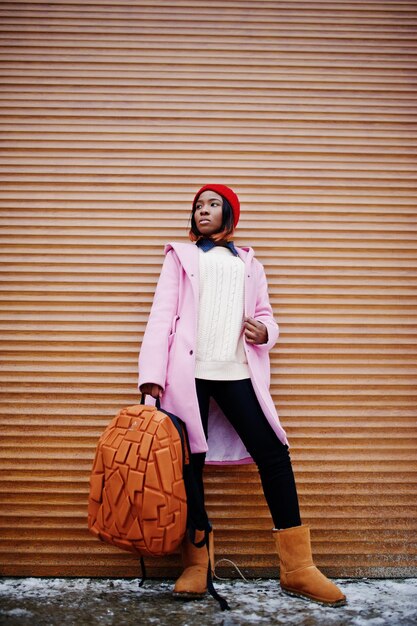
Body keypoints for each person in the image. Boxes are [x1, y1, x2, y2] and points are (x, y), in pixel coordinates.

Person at [138, 184, 346, 607]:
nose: (203, 211)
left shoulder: (250, 263)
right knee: (188, 463)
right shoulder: (181, 257)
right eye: (198, 205)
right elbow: (161, 316)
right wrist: (150, 379)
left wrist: (266, 332)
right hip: (187, 374)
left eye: (213, 205)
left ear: (229, 215)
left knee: (273, 453)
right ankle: (197, 565)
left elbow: (266, 311)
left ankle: (298, 568)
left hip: (235, 371)